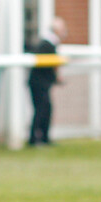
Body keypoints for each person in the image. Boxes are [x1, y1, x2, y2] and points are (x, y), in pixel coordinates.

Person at [27, 17, 68, 146]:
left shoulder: (50, 43)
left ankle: (44, 138)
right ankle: (35, 139)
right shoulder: (46, 44)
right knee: (41, 110)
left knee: (45, 109)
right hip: (39, 84)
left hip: (42, 83)